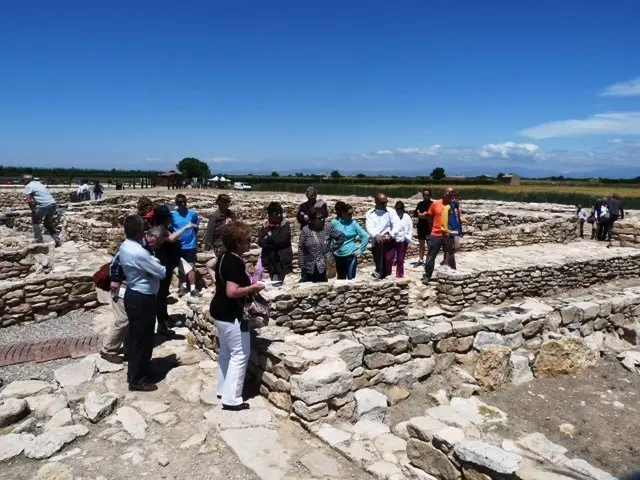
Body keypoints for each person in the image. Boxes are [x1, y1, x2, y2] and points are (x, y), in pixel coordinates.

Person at [210, 221, 265, 411]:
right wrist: (253, 287)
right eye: (246, 240)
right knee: (240, 354)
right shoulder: (234, 262)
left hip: (219, 311)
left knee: (226, 352)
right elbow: (232, 292)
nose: (249, 243)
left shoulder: (223, 257)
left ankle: (223, 389)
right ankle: (232, 398)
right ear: (238, 242)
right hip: (231, 314)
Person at [100, 225, 170, 364]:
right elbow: (116, 262)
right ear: (153, 237)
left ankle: (129, 349)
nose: (160, 245)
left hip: (134, 288)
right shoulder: (136, 246)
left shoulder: (148, 248)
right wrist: (115, 280)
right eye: (160, 241)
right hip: (122, 286)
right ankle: (108, 350)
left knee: (132, 320)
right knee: (123, 320)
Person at [118, 216, 167, 391]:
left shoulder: (126, 246)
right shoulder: (138, 252)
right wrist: (157, 263)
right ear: (139, 232)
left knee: (139, 336)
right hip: (141, 298)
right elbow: (161, 272)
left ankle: (141, 370)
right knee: (142, 338)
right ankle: (137, 379)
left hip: (136, 294)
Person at [148, 205, 198, 336]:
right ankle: (162, 325)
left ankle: (164, 319)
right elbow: (171, 238)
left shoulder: (159, 227)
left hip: (166, 265)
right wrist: (186, 228)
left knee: (162, 296)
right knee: (161, 297)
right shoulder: (160, 229)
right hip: (163, 266)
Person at [298, 208, 344, 283]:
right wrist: (301, 264)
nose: (322, 219)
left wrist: (332, 249)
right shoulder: (305, 230)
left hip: (324, 265)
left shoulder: (327, 227)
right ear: (312, 219)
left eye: (323, 217)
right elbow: (301, 247)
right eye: (319, 218)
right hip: (309, 266)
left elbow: (341, 237)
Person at [171, 194, 201, 297]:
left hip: (190, 245)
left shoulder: (192, 214)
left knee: (191, 267)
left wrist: (193, 238)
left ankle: (193, 288)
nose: (183, 204)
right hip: (178, 246)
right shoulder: (173, 215)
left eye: (184, 201)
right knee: (181, 267)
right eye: (180, 202)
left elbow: (196, 227)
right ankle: (183, 287)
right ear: (176, 203)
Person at [365, 193, 400, 279]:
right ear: (376, 202)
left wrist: (392, 234)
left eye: (386, 202)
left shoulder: (391, 211)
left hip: (389, 239)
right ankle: (380, 275)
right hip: (377, 240)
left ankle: (386, 275)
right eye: (382, 203)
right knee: (378, 260)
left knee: (388, 260)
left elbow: (397, 223)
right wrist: (376, 235)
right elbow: (369, 226)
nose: (385, 204)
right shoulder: (370, 213)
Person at [423, 187, 455, 281]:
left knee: (449, 254)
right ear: (444, 193)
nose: (450, 195)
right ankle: (428, 275)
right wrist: (432, 228)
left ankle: (446, 275)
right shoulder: (435, 204)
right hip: (436, 234)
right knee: (431, 256)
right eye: (448, 193)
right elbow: (429, 217)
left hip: (448, 235)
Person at [21, 174, 62, 247]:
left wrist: (33, 210)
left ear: (27, 180)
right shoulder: (38, 183)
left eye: (23, 180)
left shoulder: (28, 186)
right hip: (53, 204)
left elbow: (29, 201)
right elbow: (39, 194)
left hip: (44, 206)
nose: (22, 182)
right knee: (47, 223)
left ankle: (38, 240)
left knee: (35, 221)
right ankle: (57, 239)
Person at [331, 203, 369, 280]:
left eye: (352, 213)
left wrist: (360, 250)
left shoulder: (354, 224)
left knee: (351, 277)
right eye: (349, 213)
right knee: (341, 278)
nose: (352, 215)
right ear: (343, 213)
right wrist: (331, 249)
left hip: (350, 255)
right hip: (337, 255)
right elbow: (329, 236)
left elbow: (365, 236)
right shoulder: (334, 223)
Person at [258, 202, 293, 283]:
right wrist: (272, 239)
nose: (279, 215)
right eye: (276, 214)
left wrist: (268, 238)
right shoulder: (265, 226)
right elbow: (261, 242)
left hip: (282, 261)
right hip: (269, 261)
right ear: (270, 215)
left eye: (280, 213)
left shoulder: (285, 225)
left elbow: (282, 241)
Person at [203, 194, 234, 282]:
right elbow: (210, 231)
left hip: (229, 244)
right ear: (219, 203)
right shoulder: (215, 216)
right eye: (225, 202)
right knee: (222, 264)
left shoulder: (230, 214)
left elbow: (235, 227)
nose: (227, 204)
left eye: (228, 202)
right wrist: (208, 247)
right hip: (219, 245)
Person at [439, 191, 464, 271]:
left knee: (457, 247)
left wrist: (463, 220)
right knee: (449, 247)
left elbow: (459, 216)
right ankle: (447, 262)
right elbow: (444, 219)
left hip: (456, 230)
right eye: (452, 198)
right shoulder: (447, 208)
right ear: (449, 199)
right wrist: (445, 230)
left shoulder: (457, 207)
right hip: (450, 230)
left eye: (455, 198)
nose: (454, 200)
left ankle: (446, 261)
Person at [413, 189, 433, 266]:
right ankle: (421, 260)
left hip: (429, 227)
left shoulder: (432, 204)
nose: (425, 196)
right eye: (424, 195)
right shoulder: (420, 203)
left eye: (427, 195)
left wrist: (420, 214)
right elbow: (415, 213)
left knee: (429, 245)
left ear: (430, 196)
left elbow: (429, 215)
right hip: (421, 226)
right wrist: (422, 215)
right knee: (421, 245)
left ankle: (429, 260)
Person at [394, 201, 413, 278]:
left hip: (403, 240)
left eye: (400, 209)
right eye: (397, 209)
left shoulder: (407, 218)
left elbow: (410, 229)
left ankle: (399, 275)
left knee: (401, 259)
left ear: (402, 209)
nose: (399, 211)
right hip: (394, 239)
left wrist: (407, 239)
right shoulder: (394, 216)